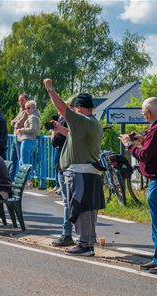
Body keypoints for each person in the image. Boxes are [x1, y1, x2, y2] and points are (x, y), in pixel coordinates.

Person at [120, 97, 157, 274]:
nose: (142, 115)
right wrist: (143, 139)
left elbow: (145, 155)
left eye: (143, 112)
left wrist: (130, 145)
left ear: (148, 112)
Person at [45, 79, 104, 256]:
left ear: (78, 108)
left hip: (81, 173)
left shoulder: (83, 120)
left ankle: (85, 245)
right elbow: (73, 135)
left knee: (82, 209)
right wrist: (59, 129)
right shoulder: (92, 122)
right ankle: (87, 242)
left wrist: (50, 89)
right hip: (88, 172)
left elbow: (62, 108)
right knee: (87, 210)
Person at [50, 97, 75, 247]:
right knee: (70, 201)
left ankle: (67, 234)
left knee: (67, 202)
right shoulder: (78, 121)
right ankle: (81, 235)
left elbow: (55, 142)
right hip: (69, 164)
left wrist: (54, 130)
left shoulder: (66, 121)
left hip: (65, 165)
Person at [15, 100, 41, 185]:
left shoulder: (32, 117)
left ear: (33, 108)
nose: (26, 110)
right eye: (26, 108)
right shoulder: (34, 116)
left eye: (28, 108)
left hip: (27, 140)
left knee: (24, 162)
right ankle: (25, 180)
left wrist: (21, 130)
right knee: (23, 161)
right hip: (30, 140)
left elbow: (32, 129)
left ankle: (26, 181)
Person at [10, 93, 29, 178]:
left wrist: (15, 122)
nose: (20, 102)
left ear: (26, 100)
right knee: (12, 159)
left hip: (20, 137)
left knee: (20, 158)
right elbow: (12, 122)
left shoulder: (26, 111)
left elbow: (19, 124)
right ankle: (10, 178)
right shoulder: (20, 110)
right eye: (19, 100)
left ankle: (22, 179)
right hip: (15, 136)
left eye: (22, 100)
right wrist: (15, 122)